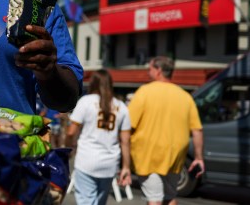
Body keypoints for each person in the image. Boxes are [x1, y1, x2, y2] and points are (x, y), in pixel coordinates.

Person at [128, 56, 205, 205]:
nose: (147, 72)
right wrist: (198, 157)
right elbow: (197, 130)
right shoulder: (185, 96)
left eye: (150, 69)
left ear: (159, 71)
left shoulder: (144, 92)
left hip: (149, 156)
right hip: (175, 158)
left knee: (154, 199)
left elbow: (127, 126)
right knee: (169, 197)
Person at [66, 69, 132, 205]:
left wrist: (68, 148)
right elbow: (125, 140)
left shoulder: (86, 102)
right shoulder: (121, 106)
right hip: (110, 163)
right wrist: (126, 166)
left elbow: (71, 132)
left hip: (87, 160)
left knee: (86, 201)